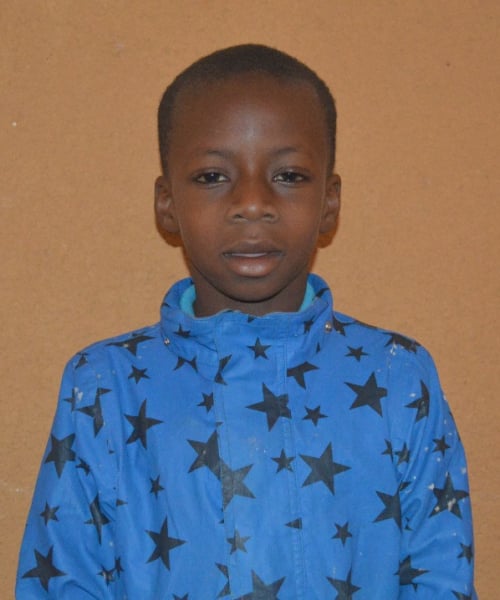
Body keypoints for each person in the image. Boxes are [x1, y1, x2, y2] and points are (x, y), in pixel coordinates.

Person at [16, 44, 476, 599]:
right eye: (213, 176)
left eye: (289, 175)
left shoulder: (398, 377)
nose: (252, 203)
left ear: (330, 202)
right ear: (166, 203)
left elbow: (439, 577)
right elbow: (64, 580)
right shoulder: (105, 386)